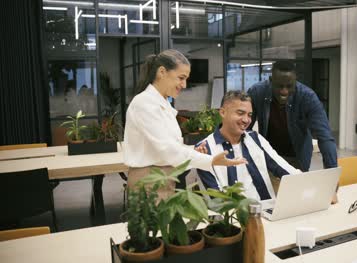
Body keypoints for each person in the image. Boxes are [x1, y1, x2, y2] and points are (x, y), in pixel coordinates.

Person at [123, 49, 246, 199]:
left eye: (186, 79)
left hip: (164, 176)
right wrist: (211, 160)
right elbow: (167, 149)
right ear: (162, 72)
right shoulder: (145, 103)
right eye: (181, 78)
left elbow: (169, 145)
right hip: (149, 180)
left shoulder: (162, 104)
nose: (184, 84)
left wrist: (193, 151)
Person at [195, 90, 301, 201]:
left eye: (249, 115)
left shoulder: (255, 139)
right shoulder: (204, 148)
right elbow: (215, 199)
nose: (246, 120)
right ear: (222, 112)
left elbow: (284, 169)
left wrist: (307, 181)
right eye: (240, 113)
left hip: (266, 211)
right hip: (231, 216)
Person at [247, 61, 337, 172]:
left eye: (289, 86)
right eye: (279, 86)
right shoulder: (257, 92)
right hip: (267, 156)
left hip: (297, 157)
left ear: (295, 81)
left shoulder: (308, 97)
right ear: (271, 81)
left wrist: (331, 172)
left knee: (295, 188)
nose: (284, 91)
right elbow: (245, 129)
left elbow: (325, 136)